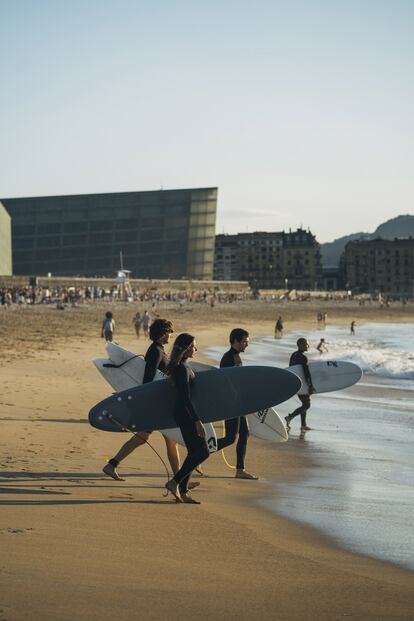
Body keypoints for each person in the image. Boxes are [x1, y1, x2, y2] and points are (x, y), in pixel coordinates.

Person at [103, 319, 198, 487]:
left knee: (150, 438)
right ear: (163, 333)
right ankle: (179, 480)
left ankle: (112, 465)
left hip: (157, 403)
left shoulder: (159, 350)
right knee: (163, 439)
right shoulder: (155, 351)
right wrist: (144, 400)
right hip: (156, 404)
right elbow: (148, 378)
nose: (171, 336)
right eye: (169, 332)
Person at [164, 333, 210, 504]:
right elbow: (185, 398)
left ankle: (183, 492)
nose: (195, 349)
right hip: (186, 414)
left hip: (184, 413)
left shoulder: (183, 366)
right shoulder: (181, 369)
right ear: (185, 349)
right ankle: (174, 482)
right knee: (202, 452)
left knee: (194, 452)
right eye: (193, 346)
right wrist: (197, 421)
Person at [216, 328, 258, 480]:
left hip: (238, 404)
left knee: (244, 434)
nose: (247, 345)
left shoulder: (236, 357)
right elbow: (227, 384)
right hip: (232, 404)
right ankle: (199, 452)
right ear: (235, 341)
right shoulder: (229, 359)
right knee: (230, 439)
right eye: (244, 342)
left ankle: (240, 470)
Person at [285, 338, 315, 432]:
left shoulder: (294, 355)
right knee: (307, 405)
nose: (308, 346)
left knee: (304, 403)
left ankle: (303, 425)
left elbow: (291, 369)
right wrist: (310, 385)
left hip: (295, 382)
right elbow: (306, 373)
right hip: (303, 383)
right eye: (306, 344)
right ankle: (290, 417)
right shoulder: (302, 357)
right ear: (301, 345)